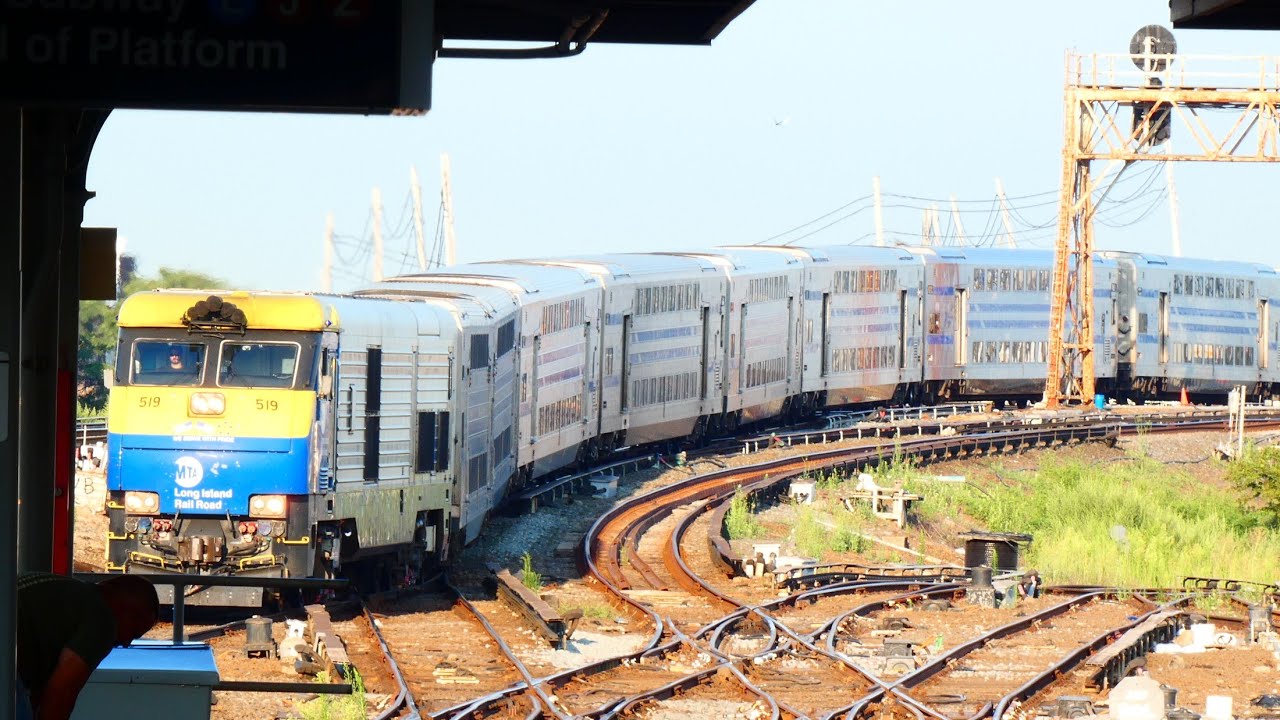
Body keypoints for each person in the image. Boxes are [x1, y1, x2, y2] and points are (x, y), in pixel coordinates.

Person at [17, 573, 160, 720]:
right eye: (134, 632)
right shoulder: (102, 620)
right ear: (125, 609)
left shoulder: (70, 594)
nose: (126, 643)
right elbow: (61, 694)